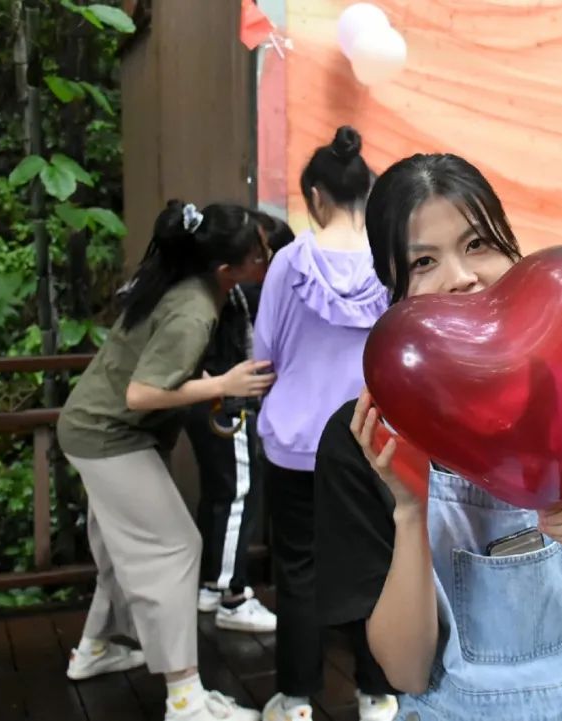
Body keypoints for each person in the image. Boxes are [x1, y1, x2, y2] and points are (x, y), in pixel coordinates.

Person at [313, 153, 562, 721]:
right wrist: (410, 510)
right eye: (423, 261)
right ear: (392, 289)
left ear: (513, 249)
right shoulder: (367, 439)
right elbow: (405, 672)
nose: (461, 277)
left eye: (478, 244)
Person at [57, 200, 276, 721]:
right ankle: (185, 699)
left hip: (95, 429)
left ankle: (95, 649)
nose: (265, 259)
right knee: (177, 547)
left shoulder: (184, 284)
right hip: (108, 436)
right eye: (258, 254)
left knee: (121, 552)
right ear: (226, 269)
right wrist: (222, 385)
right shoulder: (193, 310)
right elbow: (140, 394)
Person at [252, 126, 394, 721]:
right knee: (376, 564)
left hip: (294, 442)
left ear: (315, 196)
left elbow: (264, 353)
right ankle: (377, 694)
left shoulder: (289, 263)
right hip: (371, 441)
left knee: (299, 570)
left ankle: (295, 700)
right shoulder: (390, 262)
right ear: (369, 190)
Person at [189, 214, 293, 633]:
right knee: (237, 495)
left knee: (220, 495)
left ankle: (211, 584)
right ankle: (232, 594)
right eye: (256, 254)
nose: (261, 262)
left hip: (207, 401)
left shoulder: (207, 288)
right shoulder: (243, 290)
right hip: (226, 404)